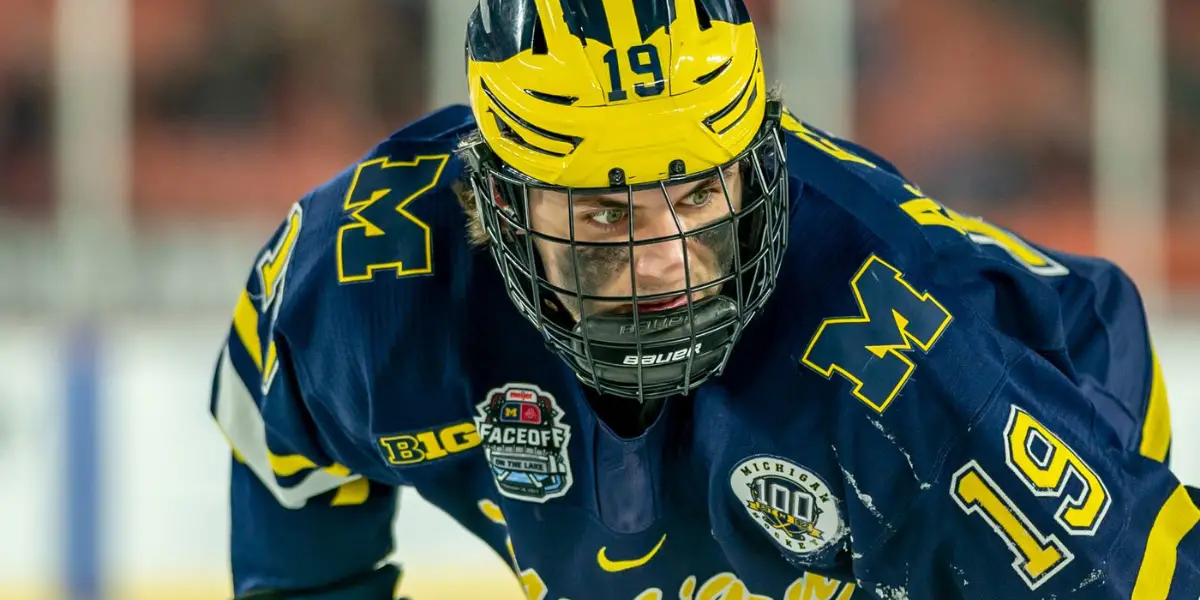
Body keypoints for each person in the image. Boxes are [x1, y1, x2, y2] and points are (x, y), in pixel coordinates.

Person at [209, 1, 1198, 598]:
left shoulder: (910, 360)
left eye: (696, 196)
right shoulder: (371, 277)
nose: (668, 267)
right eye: (604, 217)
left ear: (754, 167)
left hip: (1027, 419)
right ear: (494, 201)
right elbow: (282, 449)